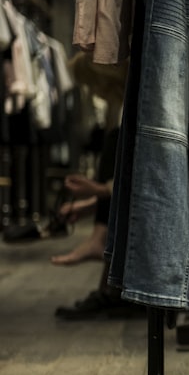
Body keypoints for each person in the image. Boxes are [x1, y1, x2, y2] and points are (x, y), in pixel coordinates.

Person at [52, 54, 136, 319]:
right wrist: (92, 202)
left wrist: (99, 192)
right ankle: (109, 289)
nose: (92, 91)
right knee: (114, 139)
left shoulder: (134, 110)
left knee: (114, 139)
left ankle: (100, 240)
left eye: (92, 83)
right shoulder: (126, 109)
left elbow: (147, 176)